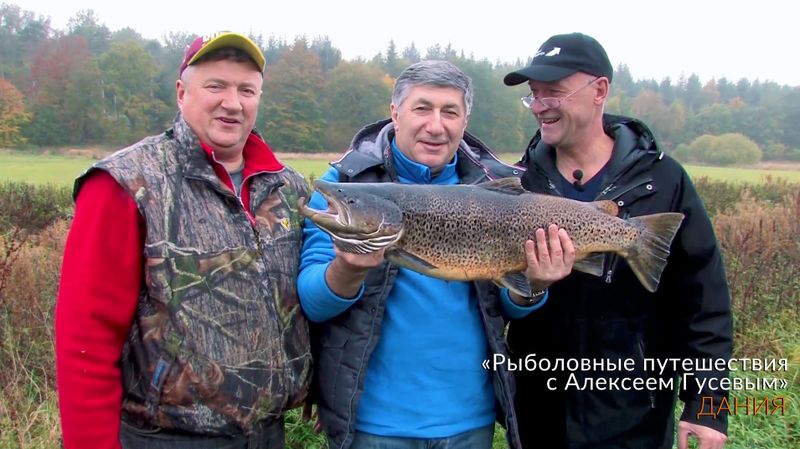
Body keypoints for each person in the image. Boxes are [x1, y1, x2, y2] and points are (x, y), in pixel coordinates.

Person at [297, 60, 575, 449]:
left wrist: (534, 286)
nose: (435, 125)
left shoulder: (500, 189)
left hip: (470, 421)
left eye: (450, 112)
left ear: (465, 121)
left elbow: (509, 307)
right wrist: (347, 269)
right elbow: (313, 302)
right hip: (374, 424)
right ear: (395, 113)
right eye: (422, 108)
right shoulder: (346, 188)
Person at [55, 31, 311, 449]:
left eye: (246, 90)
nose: (233, 102)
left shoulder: (289, 189)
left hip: (268, 435)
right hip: (168, 439)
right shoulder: (127, 184)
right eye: (216, 86)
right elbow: (86, 335)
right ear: (181, 92)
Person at [503, 32, 733, 449]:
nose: (539, 105)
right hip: (540, 414)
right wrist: (529, 289)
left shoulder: (663, 180)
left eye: (553, 91)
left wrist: (708, 403)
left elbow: (704, 301)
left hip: (635, 416)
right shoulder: (517, 185)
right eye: (534, 94)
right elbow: (492, 301)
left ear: (600, 90)